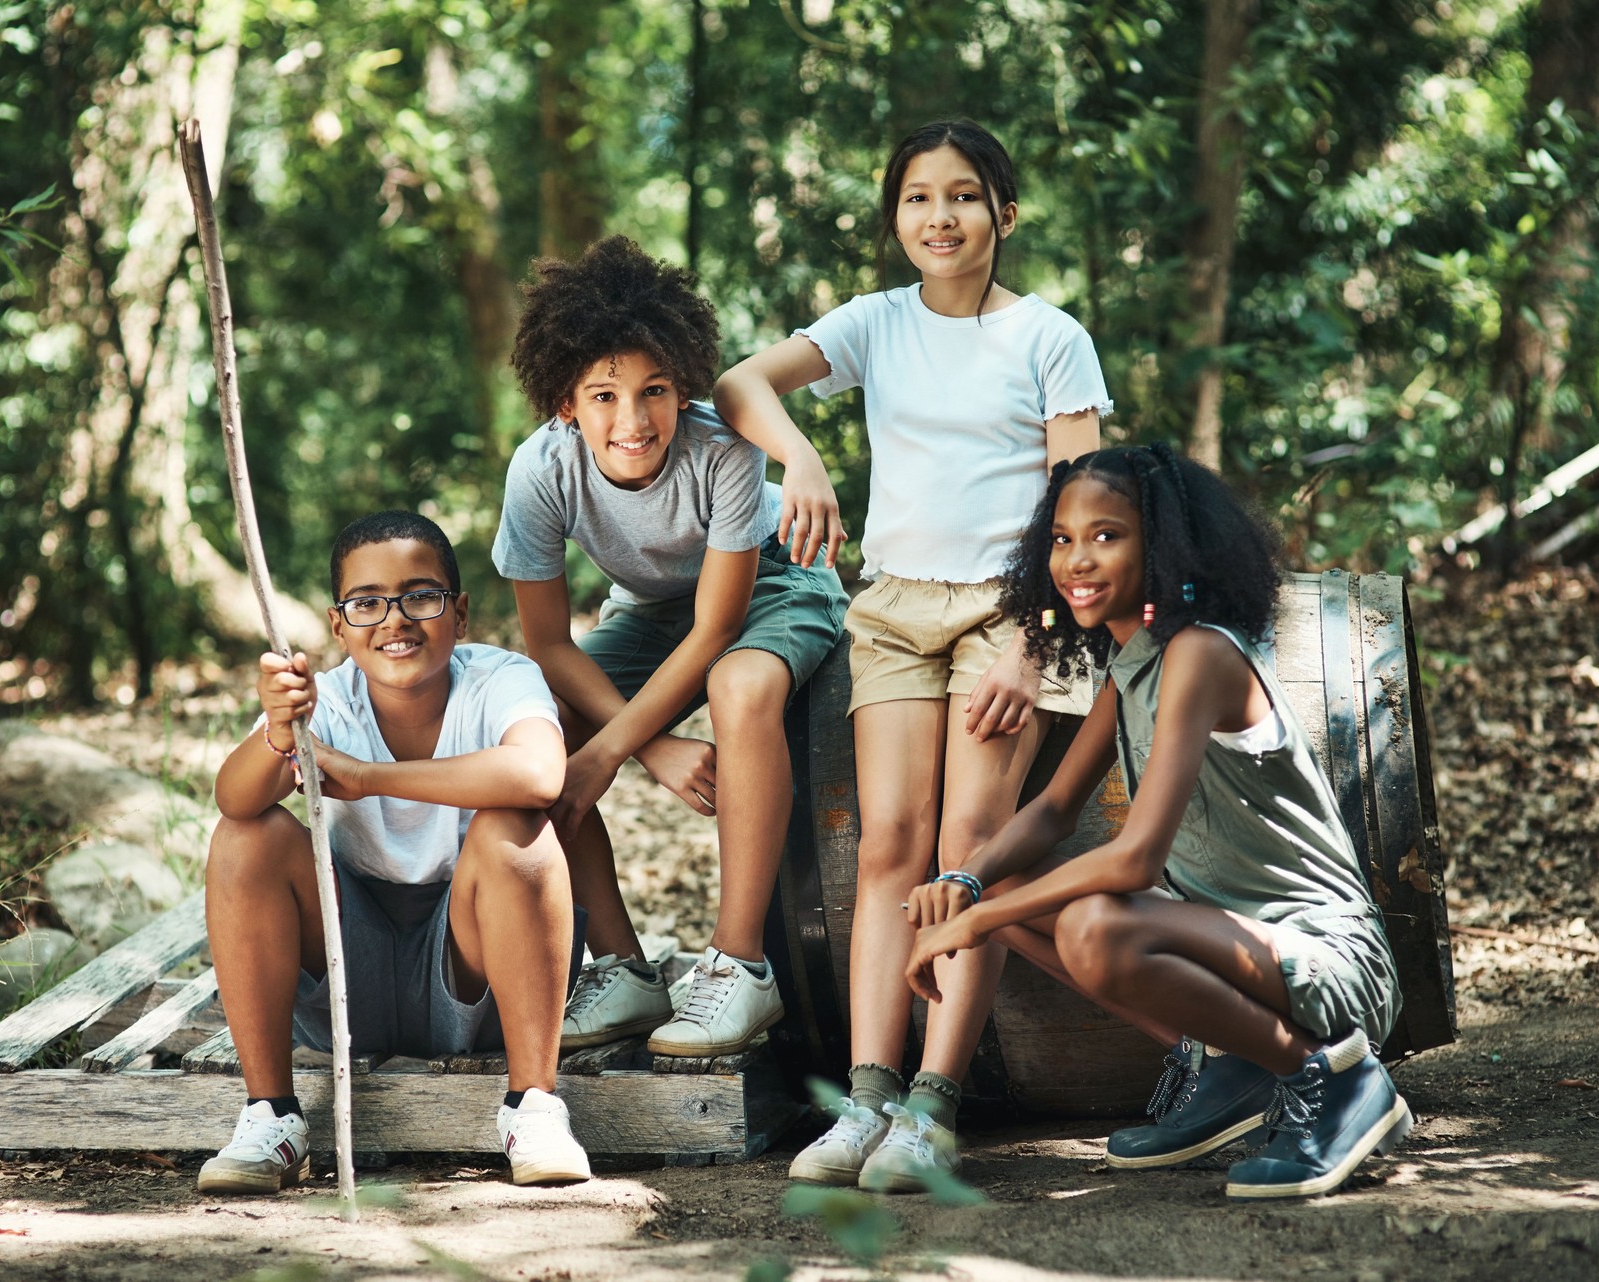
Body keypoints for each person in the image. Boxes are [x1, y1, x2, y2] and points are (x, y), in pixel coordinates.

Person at [713, 120, 1110, 1190]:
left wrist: (1035, 645)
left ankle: (934, 1109)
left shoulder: (1050, 336)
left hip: (1007, 612)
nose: (942, 217)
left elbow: (1081, 507)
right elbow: (740, 384)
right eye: (919, 199)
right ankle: (868, 1096)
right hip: (892, 608)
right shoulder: (875, 323)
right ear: (895, 219)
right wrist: (799, 458)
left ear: (1005, 214)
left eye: (966, 196)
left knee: (963, 851)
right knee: (887, 843)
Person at [903, 445, 1410, 1201]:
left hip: (1326, 958)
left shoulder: (1199, 654)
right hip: (1232, 947)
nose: (1078, 558)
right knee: (1003, 884)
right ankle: (1230, 1067)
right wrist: (965, 882)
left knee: (1094, 930)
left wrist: (970, 926)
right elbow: (1051, 811)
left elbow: (1136, 859)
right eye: (1064, 538)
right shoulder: (1128, 665)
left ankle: (1333, 1078)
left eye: (1108, 536)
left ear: (1163, 546)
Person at [493, 236, 849, 1060]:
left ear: (683, 385)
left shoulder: (721, 450)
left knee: (741, 687)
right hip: (650, 609)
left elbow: (720, 628)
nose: (633, 419)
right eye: (604, 394)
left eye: (654, 391)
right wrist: (646, 747)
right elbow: (547, 642)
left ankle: (741, 966)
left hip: (777, 584)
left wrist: (619, 748)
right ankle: (623, 968)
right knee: (540, 727)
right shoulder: (540, 471)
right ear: (564, 404)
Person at [197, 510, 591, 1193]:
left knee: (513, 829)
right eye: (367, 602)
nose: (396, 619)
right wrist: (278, 733)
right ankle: (273, 1115)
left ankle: (534, 1107)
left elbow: (538, 775)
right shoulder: (325, 700)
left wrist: (367, 777)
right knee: (246, 836)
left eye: (421, 596)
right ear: (337, 624)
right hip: (351, 975)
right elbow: (233, 798)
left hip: (474, 968)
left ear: (459, 613)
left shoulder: (501, 679)